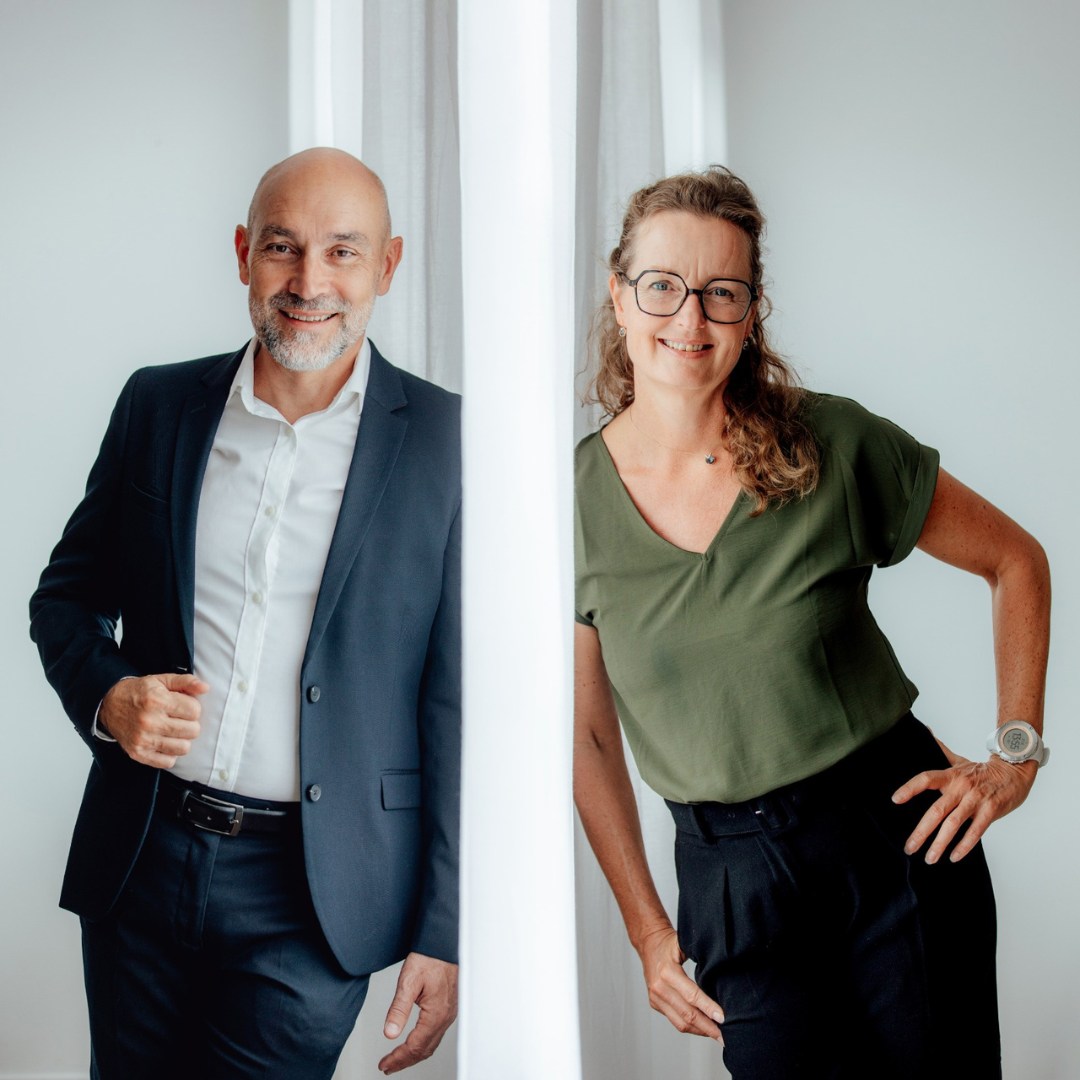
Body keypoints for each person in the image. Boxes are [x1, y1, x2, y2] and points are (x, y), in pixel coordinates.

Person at [573, 166, 1050, 1079]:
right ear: (620, 295)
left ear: (752, 314)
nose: (691, 319)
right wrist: (646, 932)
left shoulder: (828, 443)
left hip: (894, 840)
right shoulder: (569, 506)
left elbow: (1015, 560)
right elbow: (589, 739)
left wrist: (1014, 757)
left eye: (724, 293)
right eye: (664, 286)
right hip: (729, 879)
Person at [29, 148, 460, 1079]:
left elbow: (455, 701)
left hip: (316, 893)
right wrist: (109, 698)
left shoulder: (448, 443)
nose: (309, 282)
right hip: (142, 854)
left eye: (344, 252)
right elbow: (64, 598)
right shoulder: (157, 406)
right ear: (242, 254)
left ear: (387, 266)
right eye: (282, 247)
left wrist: (445, 928)